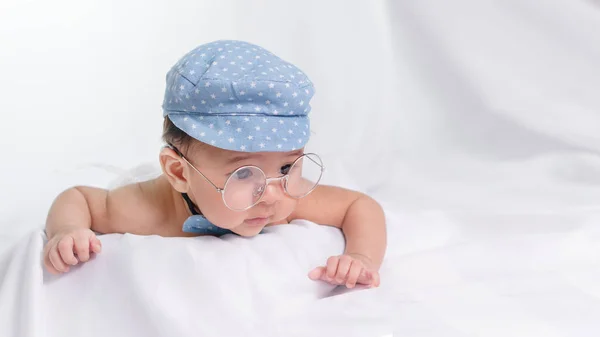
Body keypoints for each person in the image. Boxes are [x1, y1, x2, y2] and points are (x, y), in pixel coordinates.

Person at [43, 40, 387, 289]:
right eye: (244, 173)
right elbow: (81, 198)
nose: (270, 196)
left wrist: (362, 257)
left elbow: (360, 205)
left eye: (286, 167)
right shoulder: (145, 209)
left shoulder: (284, 199)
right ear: (179, 173)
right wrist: (67, 230)